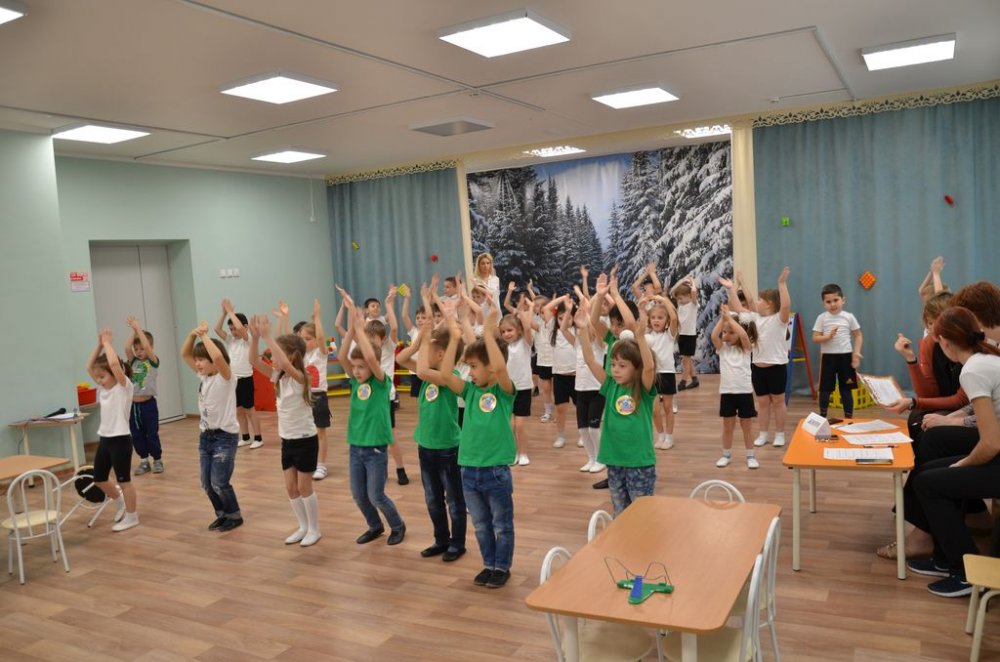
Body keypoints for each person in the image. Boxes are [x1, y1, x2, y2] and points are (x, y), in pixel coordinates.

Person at [898, 306, 1000, 597]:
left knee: (929, 483)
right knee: (929, 472)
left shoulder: (974, 370)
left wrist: (964, 464)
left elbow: (991, 443)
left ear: (944, 342)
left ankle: (965, 572)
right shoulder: (986, 359)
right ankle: (944, 558)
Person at [437, 305, 516, 588]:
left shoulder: (503, 391)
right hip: (468, 470)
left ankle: (502, 566)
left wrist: (491, 336)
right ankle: (489, 564)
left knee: (501, 524)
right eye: (468, 367)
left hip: (495, 471)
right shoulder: (469, 391)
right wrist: (454, 337)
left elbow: (501, 368)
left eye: (473, 367)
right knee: (481, 525)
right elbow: (446, 375)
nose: (469, 372)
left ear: (490, 367)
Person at [337, 292, 406, 546]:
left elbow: (369, 357)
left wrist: (359, 326)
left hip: (375, 448)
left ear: (373, 365)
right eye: (354, 368)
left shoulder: (380, 381)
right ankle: (375, 526)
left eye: (361, 367)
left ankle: (397, 525)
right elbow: (343, 357)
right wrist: (351, 330)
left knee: (376, 495)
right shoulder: (356, 382)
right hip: (356, 447)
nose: (356, 371)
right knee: (358, 495)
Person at [577, 297, 657, 516]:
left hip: (639, 462)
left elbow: (649, 368)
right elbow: (590, 360)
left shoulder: (643, 388)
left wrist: (640, 337)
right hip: (614, 461)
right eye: (613, 364)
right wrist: (583, 329)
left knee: (641, 514)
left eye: (622, 365)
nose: (615, 369)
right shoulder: (610, 385)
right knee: (620, 512)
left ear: (635, 368)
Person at [249, 316, 322, 547]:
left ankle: (314, 529)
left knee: (304, 487)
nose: (272, 357)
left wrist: (268, 336)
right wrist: (255, 338)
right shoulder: (278, 377)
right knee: (291, 488)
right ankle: (303, 527)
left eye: (277, 353)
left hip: (305, 440)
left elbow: (288, 366)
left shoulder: (302, 377)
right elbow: (253, 360)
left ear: (291, 356)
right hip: (287, 440)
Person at [412, 287, 468, 562]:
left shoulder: (448, 375)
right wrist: (423, 338)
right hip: (426, 446)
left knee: (454, 500)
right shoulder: (428, 375)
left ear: (442, 354)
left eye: (430, 350)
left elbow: (422, 369)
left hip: (448, 448)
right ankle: (441, 539)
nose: (424, 354)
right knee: (433, 499)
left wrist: (426, 335)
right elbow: (403, 360)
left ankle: (458, 543)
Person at [181, 322, 244, 532]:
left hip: (225, 437)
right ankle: (222, 514)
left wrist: (204, 336)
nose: (198, 363)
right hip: (206, 437)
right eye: (197, 360)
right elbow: (185, 354)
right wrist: (193, 335)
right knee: (207, 484)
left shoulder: (227, 378)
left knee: (219, 482)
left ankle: (234, 515)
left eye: (202, 359)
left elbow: (217, 358)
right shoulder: (204, 376)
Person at [727, 268, 792, 447]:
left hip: (776, 368)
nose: (755, 302)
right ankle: (763, 434)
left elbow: (785, 306)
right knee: (762, 403)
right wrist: (732, 287)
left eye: (760, 300)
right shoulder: (754, 318)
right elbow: (738, 307)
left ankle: (780, 434)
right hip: (757, 368)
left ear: (769, 304)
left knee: (778, 402)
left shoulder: (779, 320)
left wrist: (782, 284)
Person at [86, 328, 139, 532]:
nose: (98, 380)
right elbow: (89, 366)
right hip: (105, 439)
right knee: (99, 479)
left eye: (102, 376)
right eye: (98, 377)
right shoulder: (104, 389)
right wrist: (99, 345)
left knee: (124, 481)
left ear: (116, 375)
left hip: (120, 440)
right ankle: (119, 502)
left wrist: (108, 343)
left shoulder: (124, 387)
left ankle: (132, 517)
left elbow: (115, 365)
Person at [711, 304, 759, 469]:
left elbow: (744, 335)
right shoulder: (722, 349)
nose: (727, 336)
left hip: (744, 392)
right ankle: (726, 454)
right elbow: (714, 335)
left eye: (732, 333)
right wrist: (723, 319)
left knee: (747, 426)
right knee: (728, 426)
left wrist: (730, 320)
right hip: (727, 393)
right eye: (725, 332)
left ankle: (750, 455)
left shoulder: (746, 348)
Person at [214, 299, 263, 449]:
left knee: (250, 410)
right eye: (231, 329)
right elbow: (217, 329)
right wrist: (224, 314)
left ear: (246, 327)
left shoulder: (248, 339)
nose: (233, 332)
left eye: (234, 328)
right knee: (239, 411)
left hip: (245, 379)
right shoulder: (231, 340)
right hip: (233, 380)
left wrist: (231, 312)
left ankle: (258, 438)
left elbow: (241, 330)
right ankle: (245, 437)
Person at [812, 283, 863, 419]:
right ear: (824, 303)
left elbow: (858, 335)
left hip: (845, 357)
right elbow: (815, 338)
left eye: (836, 300)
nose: (833, 304)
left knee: (846, 389)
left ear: (843, 300)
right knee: (825, 388)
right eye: (828, 302)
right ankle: (822, 417)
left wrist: (856, 353)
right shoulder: (822, 318)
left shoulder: (849, 317)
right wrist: (828, 337)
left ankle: (848, 419)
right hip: (828, 357)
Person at [125, 315, 163, 475]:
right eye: (137, 349)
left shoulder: (153, 361)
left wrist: (138, 328)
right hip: (133, 406)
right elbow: (127, 348)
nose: (139, 352)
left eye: (142, 349)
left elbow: (146, 346)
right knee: (136, 435)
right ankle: (143, 461)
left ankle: (157, 460)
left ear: (150, 347)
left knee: (151, 433)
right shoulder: (133, 362)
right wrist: (134, 332)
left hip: (149, 405)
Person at [499, 304, 535, 466]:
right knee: (509, 425)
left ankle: (523, 453)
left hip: (523, 388)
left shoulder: (525, 343)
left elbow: (527, 328)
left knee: (520, 425)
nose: (506, 334)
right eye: (503, 331)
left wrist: (521, 311)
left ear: (518, 331)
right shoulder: (503, 347)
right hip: (507, 390)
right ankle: (512, 452)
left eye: (510, 330)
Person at [644, 293, 679, 450]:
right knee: (654, 409)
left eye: (660, 317)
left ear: (666, 321)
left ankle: (669, 437)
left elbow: (675, 318)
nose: (656, 320)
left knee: (667, 407)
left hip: (667, 373)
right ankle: (661, 435)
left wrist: (663, 300)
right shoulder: (648, 336)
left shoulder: (669, 335)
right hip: (652, 374)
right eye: (653, 318)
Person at [544, 295, 577, 450]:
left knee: (581, 408)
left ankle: (583, 435)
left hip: (577, 376)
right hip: (559, 376)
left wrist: (571, 308)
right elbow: (546, 308)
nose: (564, 321)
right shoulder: (553, 329)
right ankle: (561, 435)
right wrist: (563, 298)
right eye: (561, 318)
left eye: (568, 318)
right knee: (560, 409)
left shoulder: (577, 329)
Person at [671, 277, 699, 390]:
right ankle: (695, 379)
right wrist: (682, 281)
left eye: (681, 298)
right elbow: (673, 291)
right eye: (678, 299)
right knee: (686, 359)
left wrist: (692, 283)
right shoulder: (680, 306)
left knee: (685, 360)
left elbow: (694, 292)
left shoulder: (693, 305)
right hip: (682, 335)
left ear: (689, 295)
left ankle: (683, 381)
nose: (679, 300)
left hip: (689, 336)